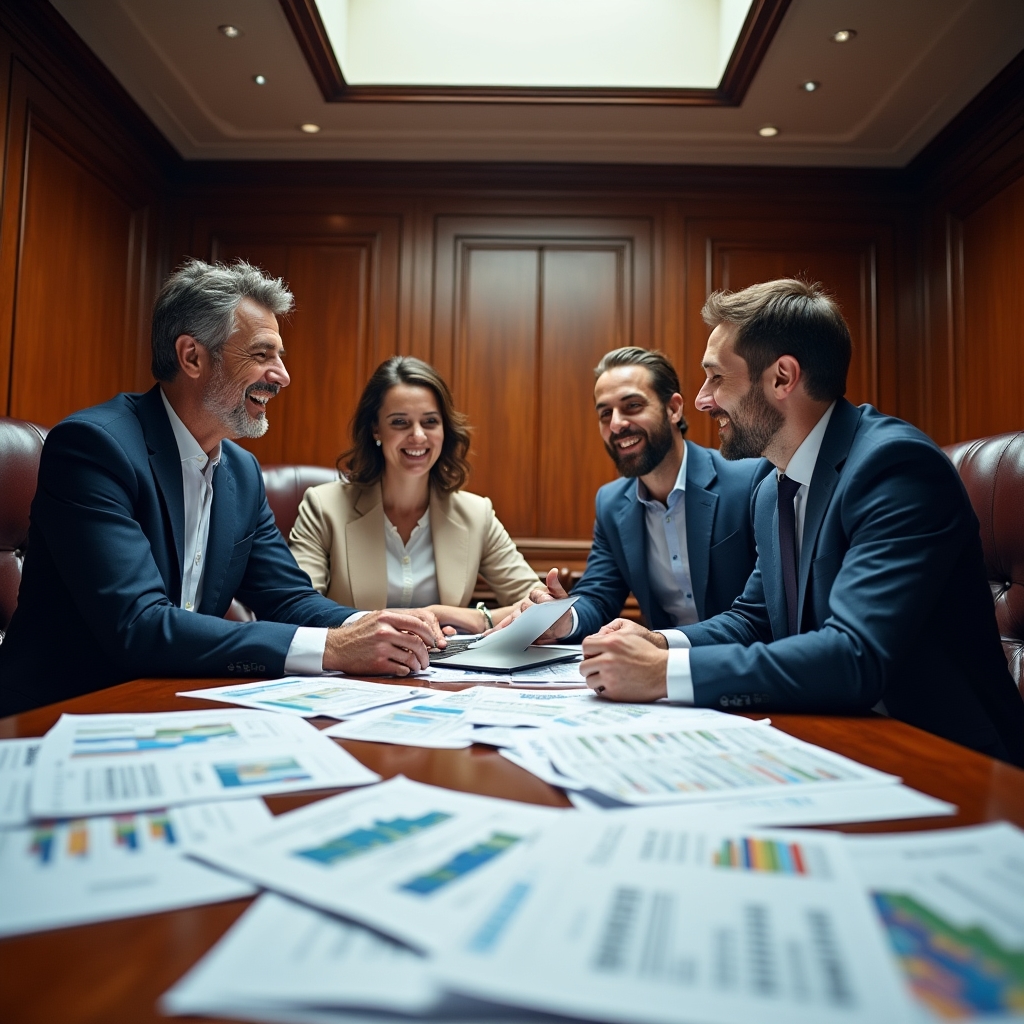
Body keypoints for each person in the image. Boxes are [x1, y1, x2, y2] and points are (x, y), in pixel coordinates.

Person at [579, 279, 1024, 765]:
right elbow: (754, 617)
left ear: (781, 377)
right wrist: (657, 641)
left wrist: (665, 673)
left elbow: (855, 655)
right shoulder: (772, 486)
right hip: (837, 741)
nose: (704, 400)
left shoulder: (893, 467)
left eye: (716, 378)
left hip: (947, 760)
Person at [0, 260, 445, 716]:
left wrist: (374, 624)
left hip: (177, 707)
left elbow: (286, 598)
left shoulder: (242, 471)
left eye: (280, 356)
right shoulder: (95, 448)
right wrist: (332, 647)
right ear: (192, 356)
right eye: (261, 354)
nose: (282, 375)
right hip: (60, 716)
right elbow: (138, 625)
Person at [494, 347, 771, 643]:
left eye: (633, 406)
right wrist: (564, 620)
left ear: (674, 409)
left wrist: (662, 643)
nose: (616, 424)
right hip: (657, 678)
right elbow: (598, 597)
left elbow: (763, 612)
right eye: (605, 413)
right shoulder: (611, 504)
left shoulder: (750, 480)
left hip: (743, 667)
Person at [288, 356, 540, 634]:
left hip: (446, 671)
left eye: (430, 421)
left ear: (444, 429)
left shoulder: (475, 514)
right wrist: (395, 622)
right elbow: (297, 607)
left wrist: (477, 618)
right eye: (400, 422)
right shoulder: (323, 507)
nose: (418, 436)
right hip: (352, 669)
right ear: (376, 429)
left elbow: (539, 604)